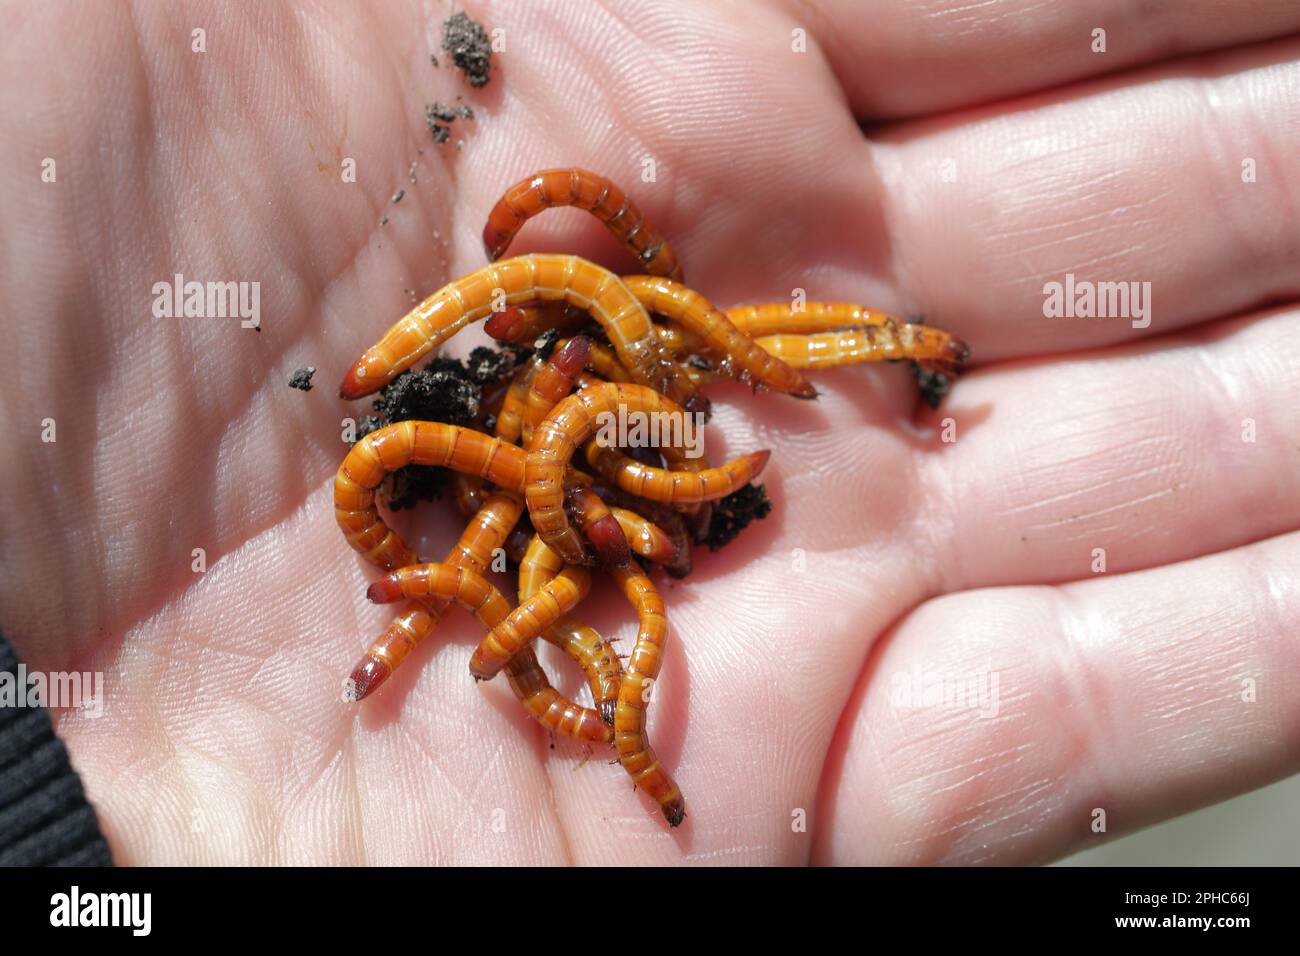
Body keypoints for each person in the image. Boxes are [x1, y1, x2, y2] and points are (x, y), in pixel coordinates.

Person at [1, 0, 1298, 865]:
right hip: (554, 463)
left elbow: (551, 268)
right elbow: (514, 317)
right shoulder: (530, 442)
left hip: (582, 441)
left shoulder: (612, 377)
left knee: (657, 318)